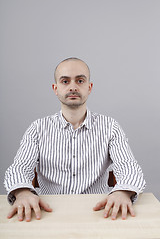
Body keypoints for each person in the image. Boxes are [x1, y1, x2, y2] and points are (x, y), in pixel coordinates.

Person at [4, 57, 146, 222]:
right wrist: (22, 193)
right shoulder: (38, 128)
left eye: (80, 80)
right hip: (47, 214)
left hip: (99, 213)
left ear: (89, 87)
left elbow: (130, 168)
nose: (73, 87)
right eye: (65, 81)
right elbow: (19, 168)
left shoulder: (110, 127)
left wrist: (122, 192)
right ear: (55, 88)